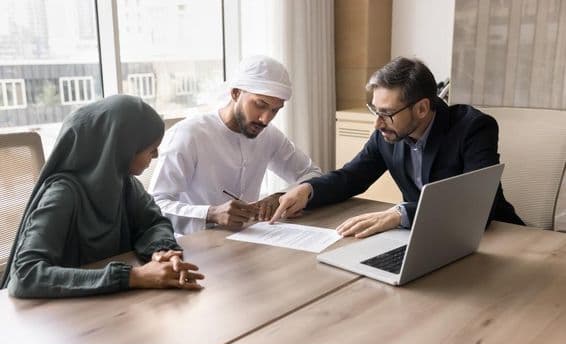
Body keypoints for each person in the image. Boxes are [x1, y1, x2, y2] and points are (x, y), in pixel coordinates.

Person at [271, 57, 524, 237]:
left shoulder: (472, 128)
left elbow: (478, 203)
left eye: (387, 113)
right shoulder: (387, 134)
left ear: (422, 108)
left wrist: (399, 214)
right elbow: (351, 177)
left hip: (496, 237)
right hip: (427, 239)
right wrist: (307, 190)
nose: (377, 123)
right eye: (375, 110)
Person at [1, 95, 205, 298]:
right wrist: (133, 276)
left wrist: (161, 251)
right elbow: (25, 275)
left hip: (109, 306)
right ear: (122, 146)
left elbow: (153, 224)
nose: (156, 155)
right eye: (151, 148)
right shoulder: (62, 195)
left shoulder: (125, 184)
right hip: (60, 319)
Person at [149, 55, 322, 235]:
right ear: (236, 93)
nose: (265, 119)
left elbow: (312, 174)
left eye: (275, 110)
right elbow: (155, 205)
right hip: (194, 246)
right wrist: (211, 213)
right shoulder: (189, 134)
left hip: (250, 239)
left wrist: (282, 197)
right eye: (260, 104)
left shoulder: (269, 135)